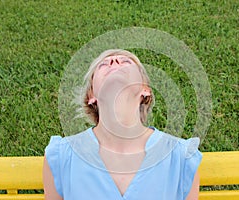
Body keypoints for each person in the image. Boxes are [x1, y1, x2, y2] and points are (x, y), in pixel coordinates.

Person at [43, 49, 202, 200]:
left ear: (145, 90)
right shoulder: (61, 157)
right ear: (91, 96)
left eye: (126, 62)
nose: (114, 61)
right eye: (103, 65)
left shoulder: (181, 158)